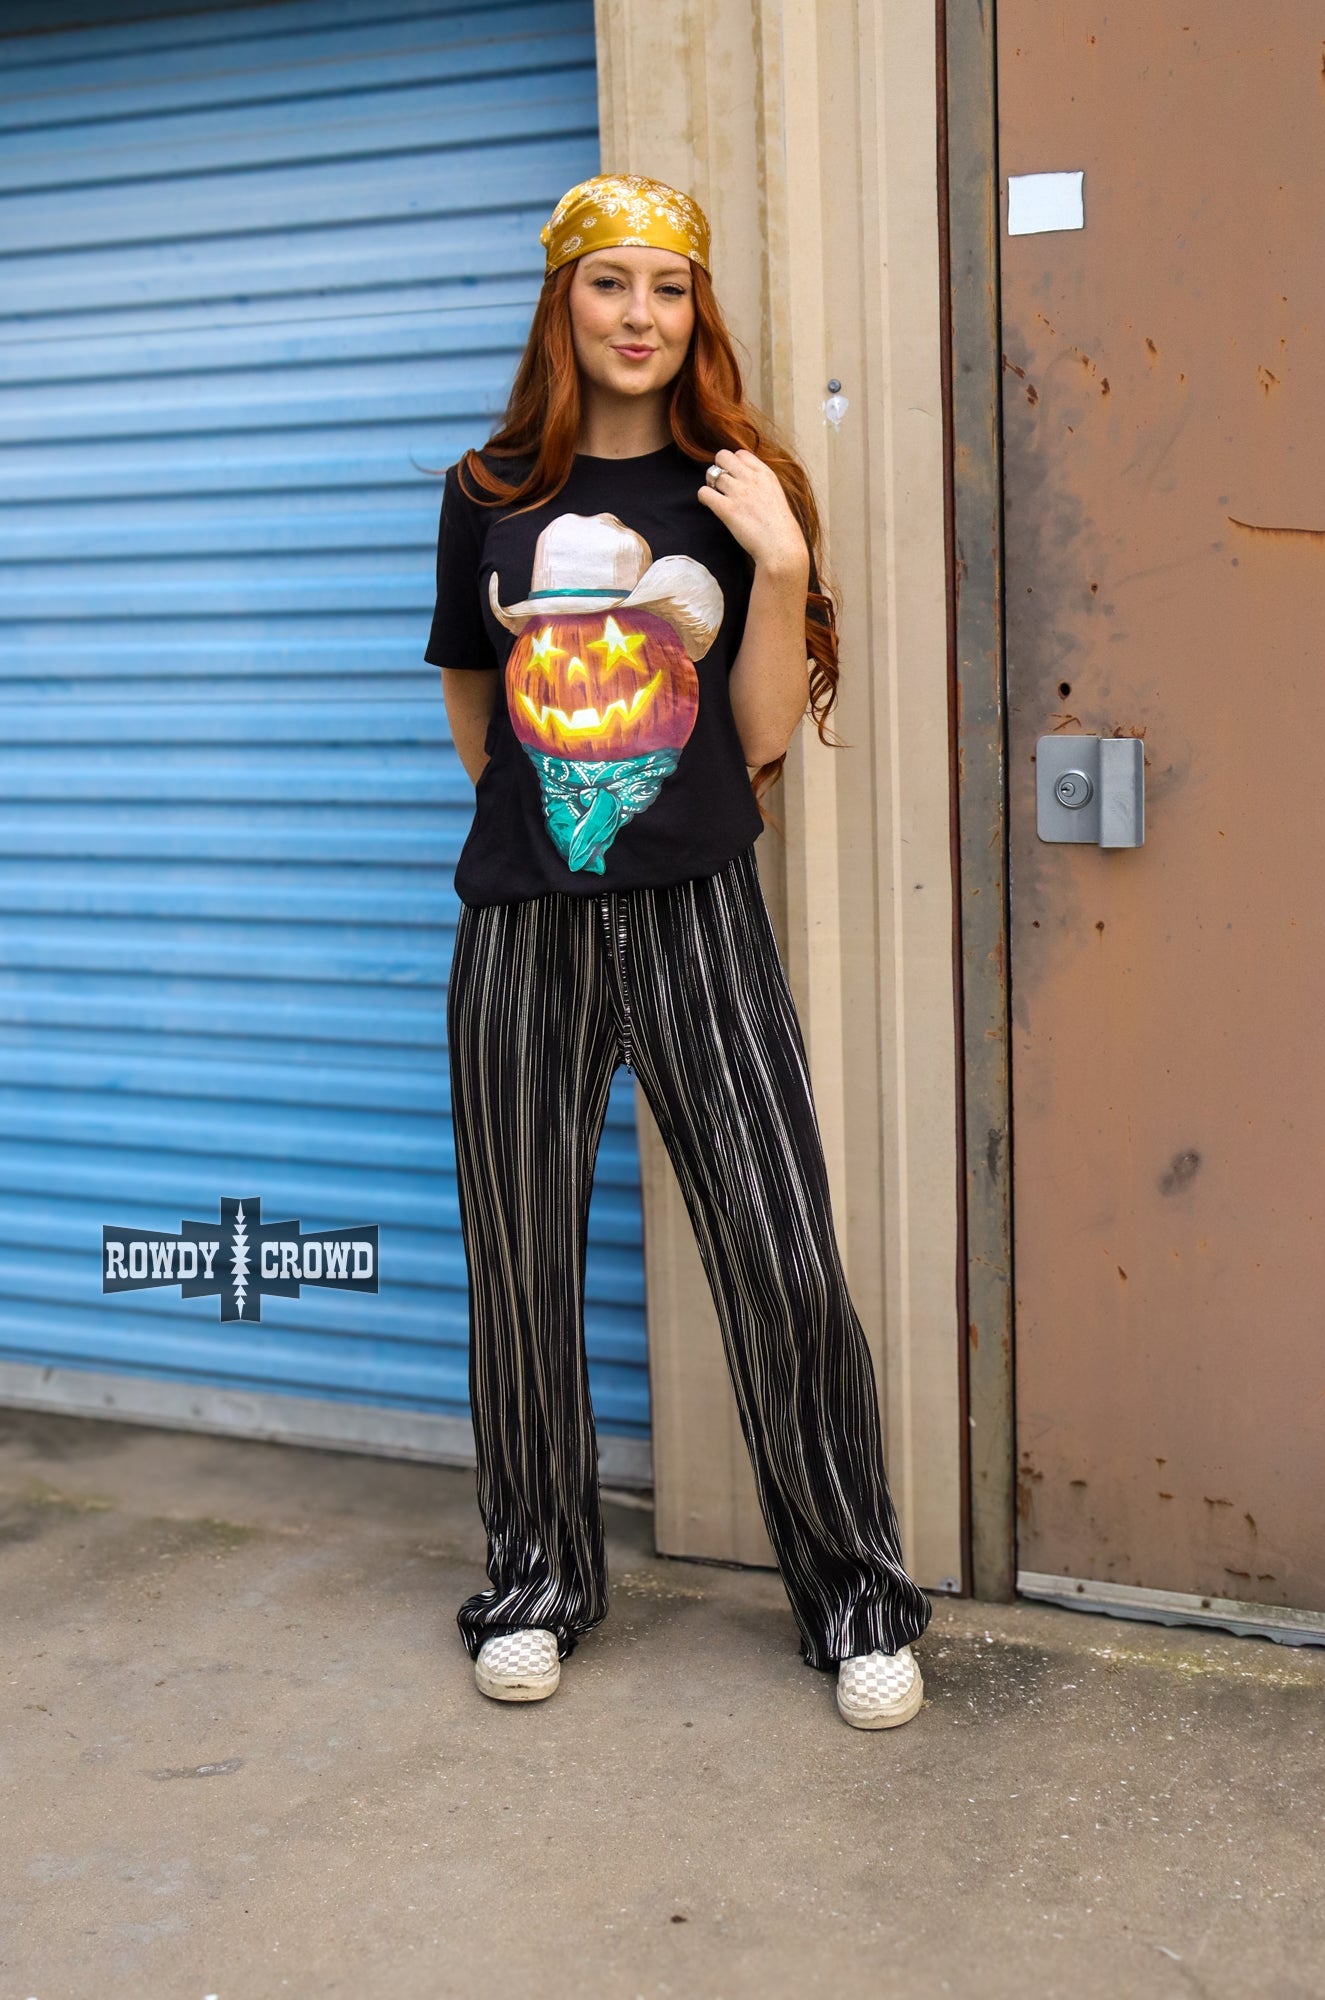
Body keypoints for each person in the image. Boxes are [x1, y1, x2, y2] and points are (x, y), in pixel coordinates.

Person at [423, 173, 931, 1730]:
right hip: (522, 922)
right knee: (522, 1270)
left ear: (694, 309)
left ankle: (856, 1601)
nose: (637, 315)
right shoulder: (486, 490)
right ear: (562, 301)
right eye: (609, 282)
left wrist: (775, 565)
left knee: (782, 1258)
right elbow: (473, 706)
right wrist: (557, 828)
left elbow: (760, 736)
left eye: (666, 286)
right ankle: (534, 1585)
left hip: (702, 912)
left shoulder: (741, 483)